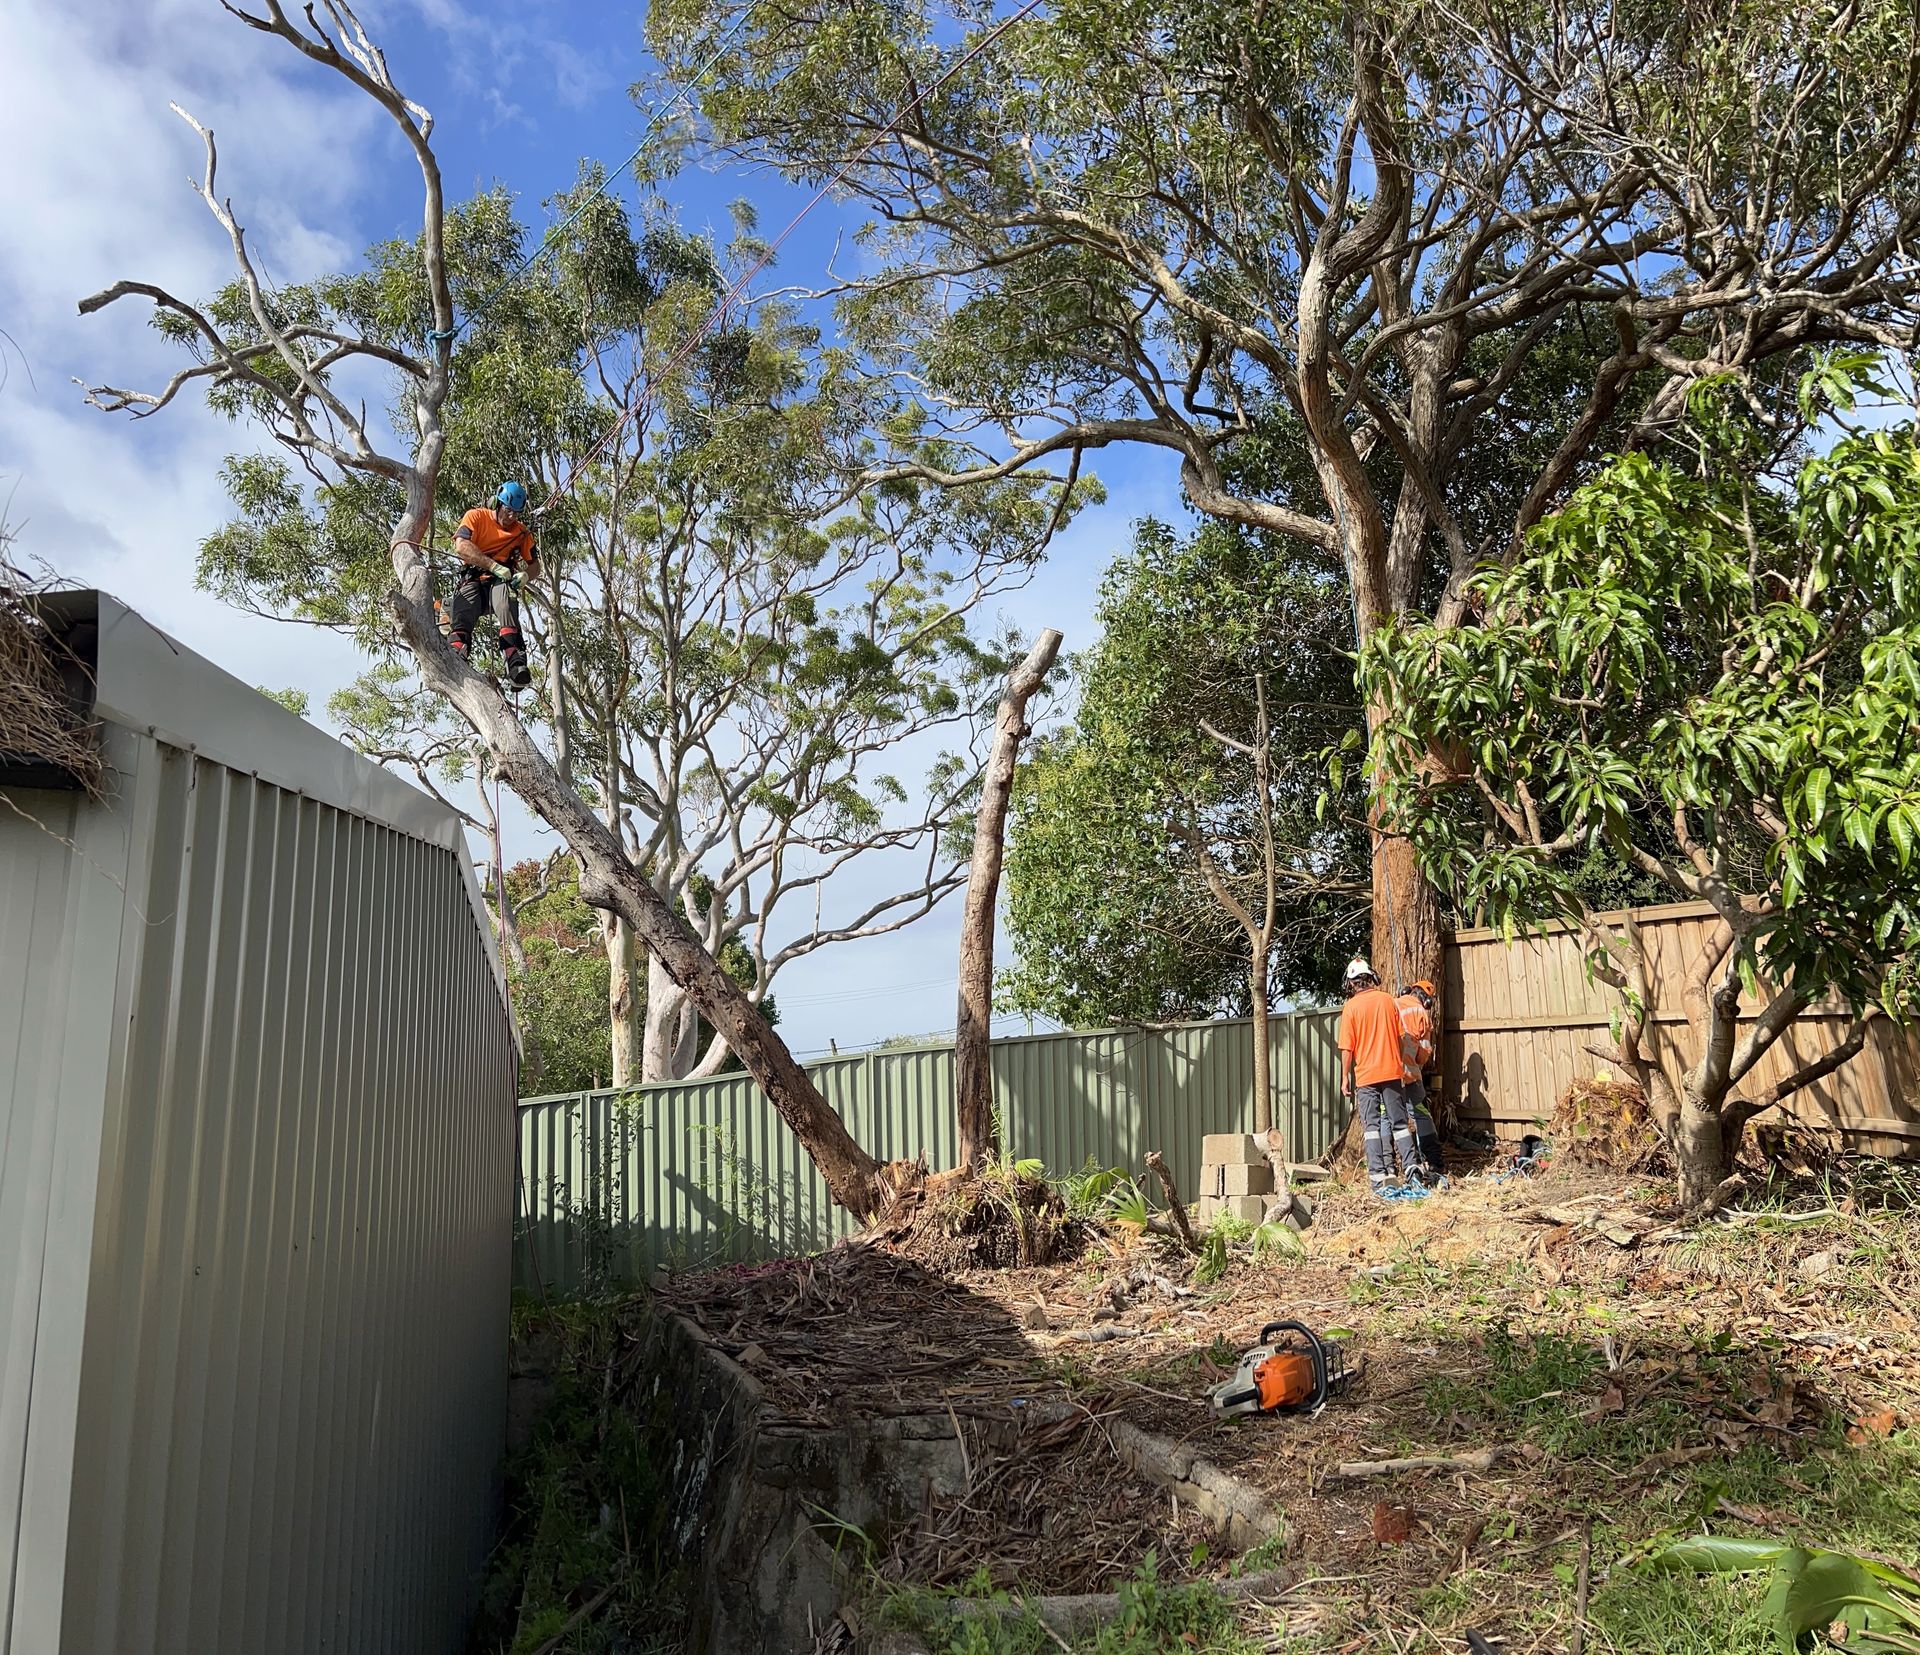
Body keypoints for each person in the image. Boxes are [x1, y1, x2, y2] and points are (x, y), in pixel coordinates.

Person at [1337, 957, 1422, 1192]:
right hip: (1392, 1071)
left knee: (1372, 1127)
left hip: (1366, 1076)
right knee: (1400, 1124)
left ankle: (1377, 1176)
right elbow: (1401, 1037)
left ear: (1352, 983)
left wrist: (1344, 1077)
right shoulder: (1387, 1000)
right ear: (1370, 977)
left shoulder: (1351, 1007)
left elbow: (1347, 1048)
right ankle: (1412, 1169)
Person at [447, 481, 539, 688]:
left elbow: (535, 566)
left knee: (506, 603)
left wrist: (524, 576)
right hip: (474, 576)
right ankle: (457, 649)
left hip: (501, 580)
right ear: (498, 504)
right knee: (464, 608)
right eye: (508, 510)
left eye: (516, 513)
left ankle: (514, 659)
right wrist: (492, 565)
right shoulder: (476, 517)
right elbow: (461, 546)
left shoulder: (522, 532)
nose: (512, 517)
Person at [1397, 979, 1445, 1171]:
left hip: (1388, 1075)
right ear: (1426, 1000)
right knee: (1422, 1114)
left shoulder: (1392, 1004)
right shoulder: (1421, 1014)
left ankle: (1389, 1164)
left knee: (1387, 1117)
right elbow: (1424, 1053)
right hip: (1411, 1075)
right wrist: (1417, 1063)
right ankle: (1434, 1160)